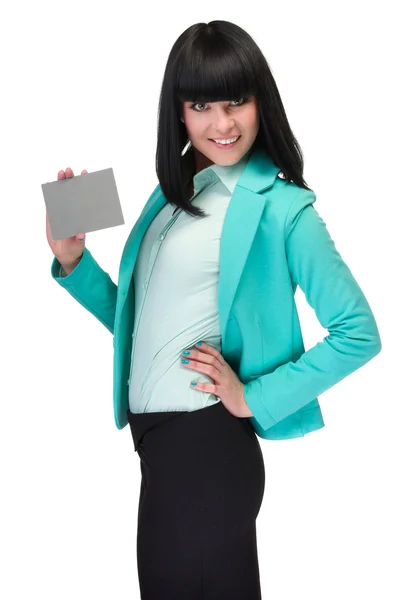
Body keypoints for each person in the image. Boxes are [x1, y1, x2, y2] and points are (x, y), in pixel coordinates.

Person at [46, 20, 382, 600]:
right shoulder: (173, 193)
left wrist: (252, 398)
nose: (221, 123)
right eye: (201, 103)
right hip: (162, 451)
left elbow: (359, 334)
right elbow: (145, 322)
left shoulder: (282, 208)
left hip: (207, 451)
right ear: (178, 110)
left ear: (261, 103)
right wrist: (74, 262)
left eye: (237, 101)